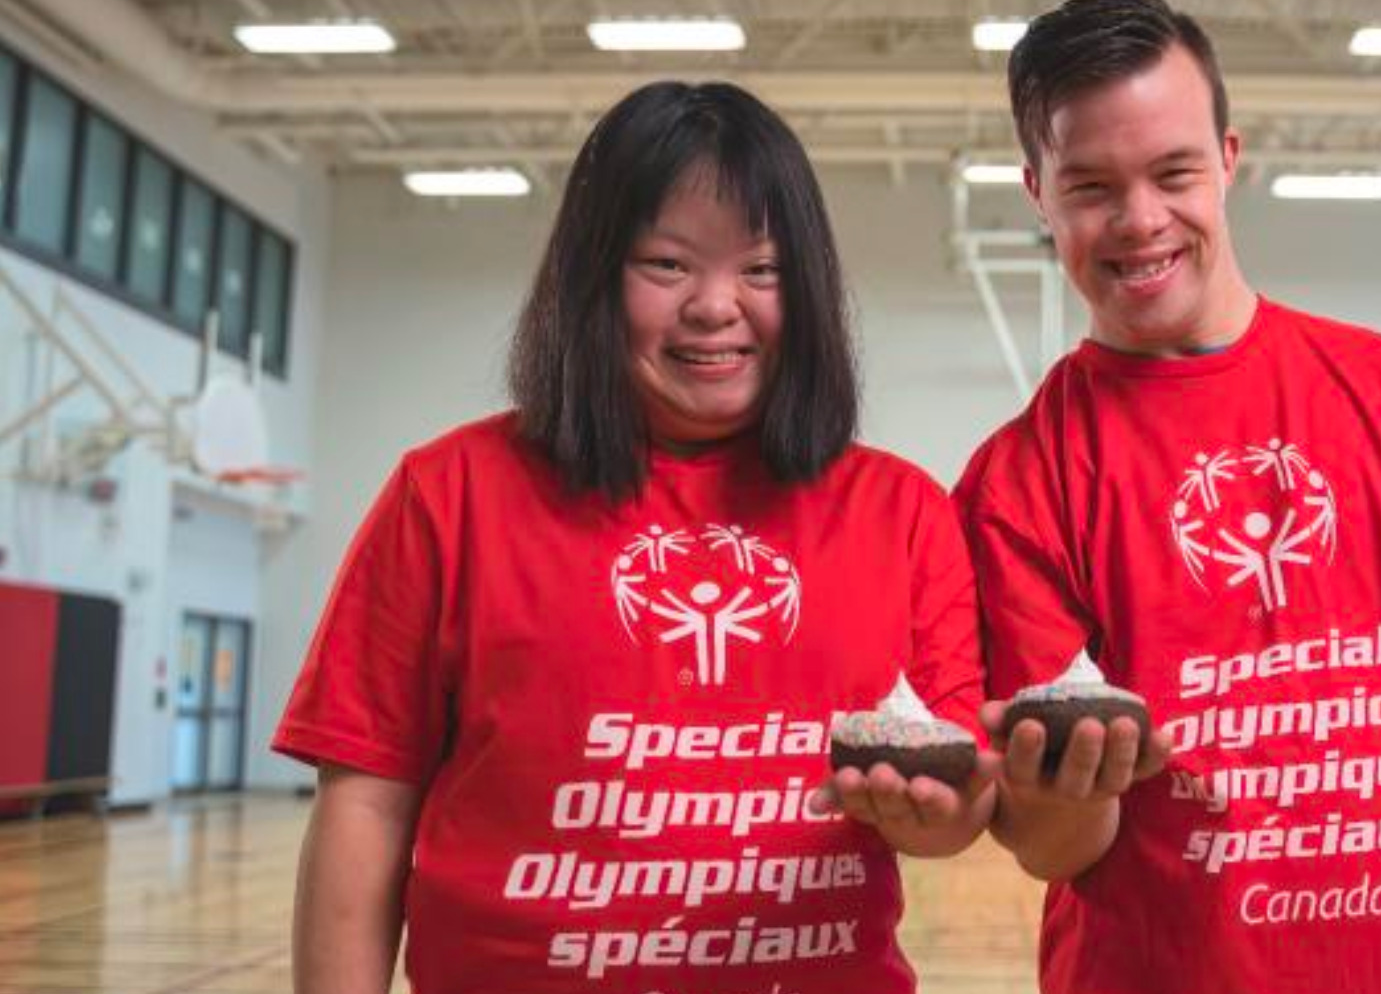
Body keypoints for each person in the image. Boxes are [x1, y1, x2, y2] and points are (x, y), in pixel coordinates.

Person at [957, 0, 1381, 994]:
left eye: (1173, 172)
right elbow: (1054, 852)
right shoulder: (1016, 486)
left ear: (1227, 157)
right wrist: (1067, 793)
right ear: (1036, 191)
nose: (1140, 222)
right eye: (1090, 186)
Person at [275, 81, 996, 994]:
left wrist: (929, 816)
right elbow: (366, 806)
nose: (715, 306)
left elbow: (957, 802)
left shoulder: (902, 510)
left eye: (762, 270)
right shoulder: (448, 494)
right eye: (666, 265)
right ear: (593, 276)